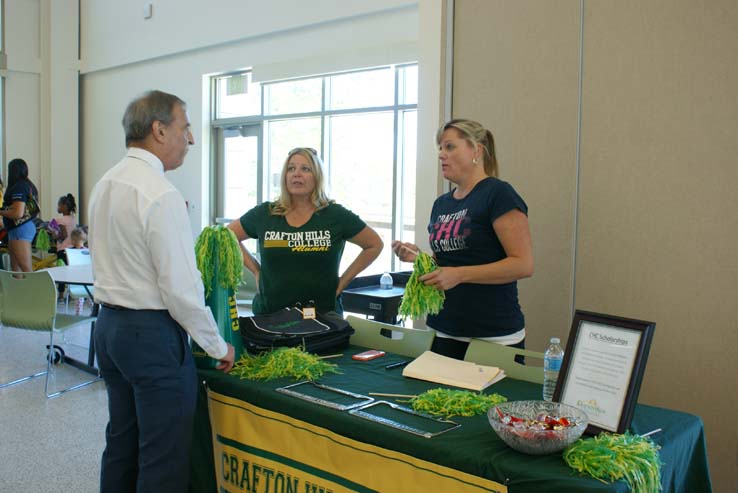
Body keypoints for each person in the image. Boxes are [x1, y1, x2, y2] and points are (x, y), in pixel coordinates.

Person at [88, 90, 235, 492]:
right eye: (185, 127)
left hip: (109, 328)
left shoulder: (105, 183)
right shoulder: (160, 194)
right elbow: (181, 291)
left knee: (122, 443)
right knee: (163, 456)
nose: (189, 139)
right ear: (158, 130)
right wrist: (218, 345)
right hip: (151, 335)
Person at [392, 118, 533, 360]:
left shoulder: (498, 194)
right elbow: (447, 264)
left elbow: (523, 264)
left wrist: (459, 274)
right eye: (439, 148)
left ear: (476, 150)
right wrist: (419, 258)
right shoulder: (442, 203)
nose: (441, 155)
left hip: (492, 336)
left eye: (449, 147)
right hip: (443, 329)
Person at [227, 147, 383, 315]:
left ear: (317, 176)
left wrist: (343, 282)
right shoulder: (265, 213)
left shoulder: (335, 215)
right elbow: (226, 236)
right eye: (291, 168)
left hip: (323, 315)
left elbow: (374, 244)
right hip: (271, 315)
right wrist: (255, 270)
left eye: (305, 169)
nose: (296, 174)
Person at [0, 158, 40, 272]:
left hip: (20, 229)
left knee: (26, 269)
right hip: (18, 229)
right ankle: (19, 290)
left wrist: (1, 211)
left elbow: (18, 213)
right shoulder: (28, 185)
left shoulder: (19, 187)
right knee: (15, 269)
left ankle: (34, 290)